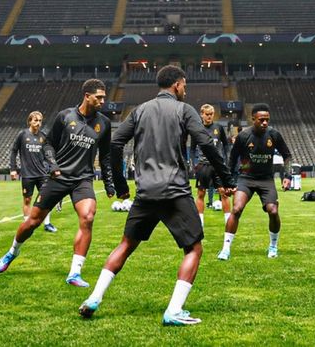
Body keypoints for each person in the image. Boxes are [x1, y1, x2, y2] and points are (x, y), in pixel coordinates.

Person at [78, 66, 235, 326]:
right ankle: (174, 310)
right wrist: (228, 179)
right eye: (185, 86)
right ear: (177, 85)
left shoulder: (140, 110)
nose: (185, 90)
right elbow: (206, 143)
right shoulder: (185, 110)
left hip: (145, 192)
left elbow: (116, 143)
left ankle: (94, 298)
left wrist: (121, 184)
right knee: (194, 248)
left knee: (126, 245)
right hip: (174, 191)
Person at [0, 79, 115, 288]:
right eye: (99, 97)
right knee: (33, 222)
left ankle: (75, 273)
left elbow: (105, 156)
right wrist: (53, 165)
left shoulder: (104, 123)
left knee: (88, 217)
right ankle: (12, 251)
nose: (103, 101)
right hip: (58, 177)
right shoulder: (65, 116)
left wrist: (109, 183)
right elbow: (48, 144)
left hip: (83, 179)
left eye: (104, 97)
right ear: (87, 96)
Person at [218, 103, 291, 260]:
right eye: (261, 120)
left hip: (266, 179)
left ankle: (273, 246)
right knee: (236, 209)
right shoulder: (244, 136)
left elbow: (287, 155)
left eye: (267, 120)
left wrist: (287, 176)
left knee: (273, 211)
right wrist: (228, 182)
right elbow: (232, 159)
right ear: (253, 119)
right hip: (246, 178)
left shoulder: (274, 135)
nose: (265, 123)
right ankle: (225, 249)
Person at [8, 111, 57, 233]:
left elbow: (48, 154)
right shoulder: (22, 135)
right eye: (35, 120)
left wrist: (53, 168)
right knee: (27, 200)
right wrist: (13, 169)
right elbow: (13, 151)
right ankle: (26, 225)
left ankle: (47, 224)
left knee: (46, 199)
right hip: (28, 174)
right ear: (30, 121)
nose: (38, 123)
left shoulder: (43, 136)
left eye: (40, 121)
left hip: (42, 174)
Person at [191, 103, 232, 227]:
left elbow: (226, 145)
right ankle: (200, 224)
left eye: (211, 114)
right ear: (202, 115)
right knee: (201, 193)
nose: (209, 116)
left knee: (223, 192)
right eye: (207, 114)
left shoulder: (219, 128)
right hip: (203, 165)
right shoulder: (197, 129)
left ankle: (228, 223)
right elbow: (192, 149)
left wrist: (226, 160)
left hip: (218, 165)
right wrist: (194, 163)